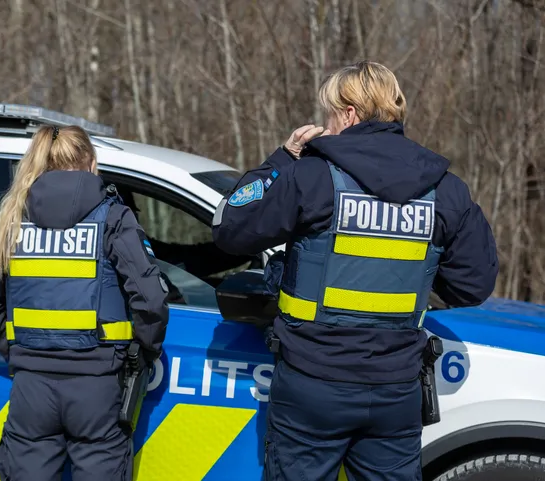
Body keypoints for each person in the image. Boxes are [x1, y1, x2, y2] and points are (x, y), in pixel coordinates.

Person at [212, 61, 498, 481]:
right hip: (396, 390)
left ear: (348, 114)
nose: (326, 124)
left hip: (313, 382)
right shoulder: (445, 189)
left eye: (329, 114)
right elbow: (472, 285)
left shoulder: (311, 177)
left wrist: (283, 159)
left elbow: (229, 228)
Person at [0, 124, 169, 481]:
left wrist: (20, 351)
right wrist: (141, 353)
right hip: (98, 386)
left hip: (32, 388)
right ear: (91, 162)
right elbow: (151, 301)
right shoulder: (113, 217)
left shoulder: (12, 219)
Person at [116, 187, 255, 279]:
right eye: (128, 214)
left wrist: (243, 247)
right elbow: (185, 263)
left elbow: (183, 258)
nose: (134, 220)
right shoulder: (126, 262)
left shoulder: (137, 250)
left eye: (133, 213)